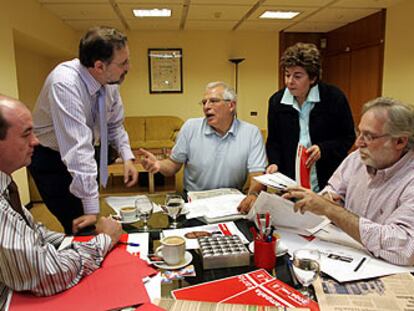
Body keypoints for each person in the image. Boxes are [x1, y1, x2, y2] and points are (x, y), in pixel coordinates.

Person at [0, 94, 122, 308]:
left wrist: (74, 242)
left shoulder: (5, 185)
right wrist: (104, 240)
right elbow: (47, 275)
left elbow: (33, 234)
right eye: (26, 134)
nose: (35, 141)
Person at [29, 26, 138, 235]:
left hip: (83, 155)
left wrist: (127, 158)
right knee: (81, 227)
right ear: (99, 66)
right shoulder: (64, 84)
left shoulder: (109, 81)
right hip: (51, 159)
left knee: (91, 222)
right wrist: (91, 209)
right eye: (123, 63)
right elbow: (77, 148)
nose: (129, 67)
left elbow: (114, 124)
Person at [284, 97, 414, 265]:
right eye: (359, 133)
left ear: (400, 141)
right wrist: (327, 198)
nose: (358, 143)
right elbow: (332, 190)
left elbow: (406, 248)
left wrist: (332, 211)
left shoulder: (409, 178)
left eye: (368, 136)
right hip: (347, 255)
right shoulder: (356, 160)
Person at [140, 81, 267, 211]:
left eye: (213, 101)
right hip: (194, 203)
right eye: (204, 102)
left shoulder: (251, 133)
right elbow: (173, 165)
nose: (206, 107)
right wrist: (159, 165)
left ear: (231, 105)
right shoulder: (190, 127)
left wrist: (253, 194)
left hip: (232, 203)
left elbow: (257, 174)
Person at [266, 42, 355, 191]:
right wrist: (274, 162)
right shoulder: (277, 101)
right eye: (287, 75)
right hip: (290, 178)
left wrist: (324, 149)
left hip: (326, 175)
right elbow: (274, 141)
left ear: (313, 78)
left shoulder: (334, 97)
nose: (289, 81)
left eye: (297, 76)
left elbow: (347, 137)